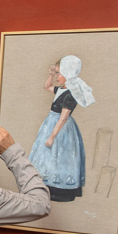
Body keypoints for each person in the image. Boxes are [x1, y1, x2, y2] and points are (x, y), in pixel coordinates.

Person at [28, 55, 94, 202]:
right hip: (50, 123)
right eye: (56, 73)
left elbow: (63, 118)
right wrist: (50, 75)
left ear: (68, 74)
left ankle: (60, 191)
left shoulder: (71, 94)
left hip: (61, 129)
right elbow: (46, 87)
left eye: (59, 73)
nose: (57, 76)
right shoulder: (62, 89)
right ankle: (45, 188)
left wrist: (52, 136)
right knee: (47, 157)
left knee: (60, 157)